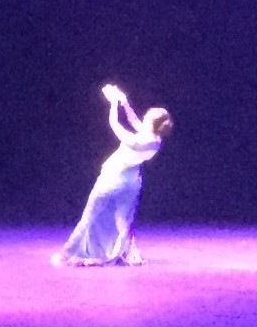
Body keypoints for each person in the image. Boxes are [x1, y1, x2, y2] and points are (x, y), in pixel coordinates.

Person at [51, 84, 173, 267]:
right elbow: (133, 120)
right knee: (123, 220)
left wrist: (113, 103)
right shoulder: (155, 139)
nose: (143, 117)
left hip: (113, 179)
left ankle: (66, 253)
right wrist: (124, 101)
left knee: (89, 216)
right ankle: (125, 252)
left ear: (151, 122)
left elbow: (115, 124)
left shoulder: (137, 141)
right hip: (131, 182)